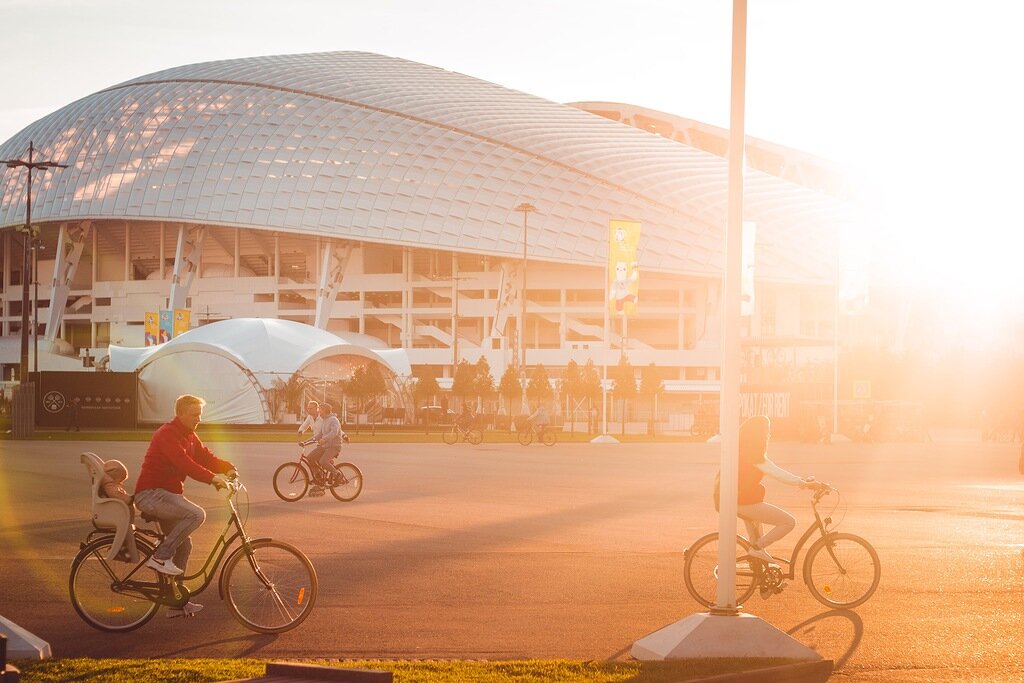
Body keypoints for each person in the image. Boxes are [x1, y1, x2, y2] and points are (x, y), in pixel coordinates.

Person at [133, 394, 236, 618]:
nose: (199, 418)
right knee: (196, 515)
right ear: (180, 414)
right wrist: (213, 479)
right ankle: (160, 557)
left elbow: (205, 457)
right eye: (194, 414)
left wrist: (227, 468)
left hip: (167, 495)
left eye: (200, 414)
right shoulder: (167, 434)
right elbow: (184, 463)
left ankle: (175, 601)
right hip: (151, 494)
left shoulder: (189, 435)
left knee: (185, 545)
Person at [714, 415, 825, 564]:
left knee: (756, 543)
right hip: (741, 501)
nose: (768, 435)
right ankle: (757, 548)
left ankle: (758, 564)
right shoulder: (752, 455)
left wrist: (802, 481)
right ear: (758, 434)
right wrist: (802, 483)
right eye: (766, 431)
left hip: (734, 499)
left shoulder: (743, 451)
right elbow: (777, 472)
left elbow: (774, 469)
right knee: (788, 522)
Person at [308, 403, 344, 495]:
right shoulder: (324, 420)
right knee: (310, 458)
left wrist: (324, 439)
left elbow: (334, 433)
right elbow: (319, 434)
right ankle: (318, 477)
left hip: (334, 446)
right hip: (325, 446)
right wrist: (306, 442)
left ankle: (337, 474)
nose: (319, 411)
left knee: (323, 461)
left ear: (325, 410)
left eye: (320, 409)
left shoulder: (333, 420)